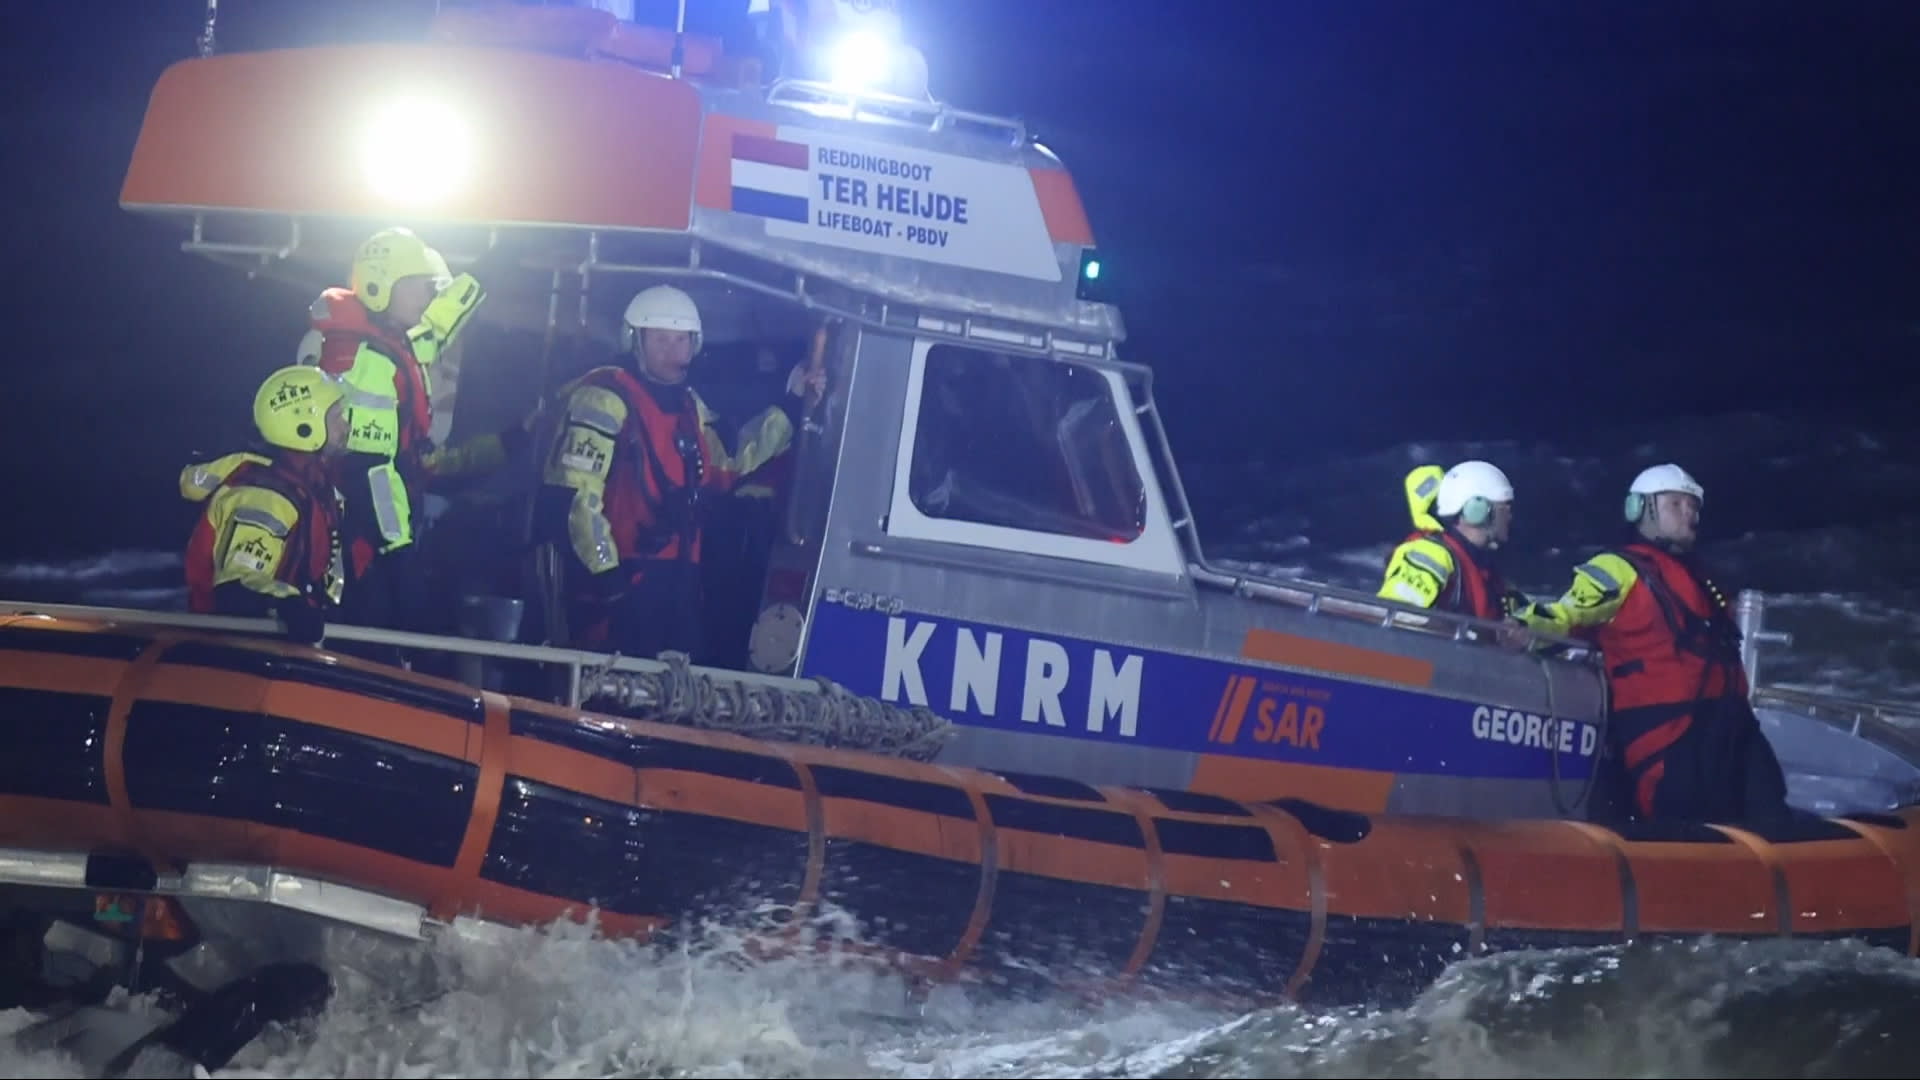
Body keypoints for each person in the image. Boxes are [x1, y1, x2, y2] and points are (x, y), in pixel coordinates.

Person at [537, 284, 824, 661]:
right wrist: (607, 576)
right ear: (635, 340)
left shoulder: (689, 405)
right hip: (616, 582)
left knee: (675, 691)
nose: (673, 350)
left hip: (677, 583)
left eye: (681, 340)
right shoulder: (602, 398)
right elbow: (575, 497)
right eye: (660, 339)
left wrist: (792, 405)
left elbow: (728, 461)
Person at [1523, 463, 1790, 826]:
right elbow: (1566, 616)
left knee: (1770, 813)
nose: (1689, 515)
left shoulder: (1697, 575)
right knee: (1682, 825)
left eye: (1693, 507)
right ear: (1641, 509)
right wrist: (1523, 627)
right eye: (1676, 505)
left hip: (1731, 727)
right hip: (1669, 734)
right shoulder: (1617, 569)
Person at [301, 226, 493, 632]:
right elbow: (372, 473)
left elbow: (435, 331)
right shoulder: (374, 364)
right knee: (378, 644)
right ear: (380, 287)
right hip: (368, 538)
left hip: (377, 525)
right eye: (419, 286)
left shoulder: (391, 343)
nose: (428, 296)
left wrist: (494, 263)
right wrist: (398, 548)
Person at [180, 365, 350, 646]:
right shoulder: (265, 496)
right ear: (304, 426)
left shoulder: (310, 482)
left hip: (283, 643)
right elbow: (238, 583)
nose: (345, 425)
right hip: (241, 650)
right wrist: (289, 606)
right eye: (336, 416)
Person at [1378, 460, 1533, 626]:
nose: (1510, 516)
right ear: (1477, 509)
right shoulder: (1431, 555)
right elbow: (1395, 623)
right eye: (1505, 506)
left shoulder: (1488, 573)